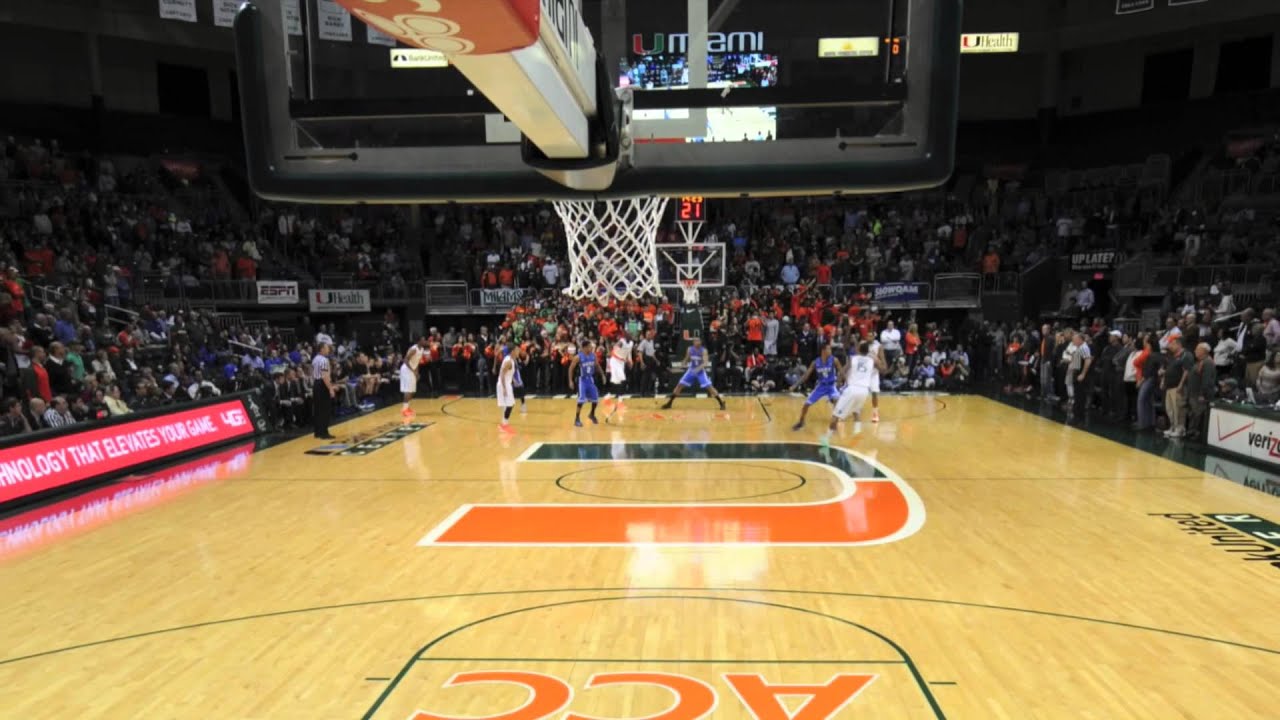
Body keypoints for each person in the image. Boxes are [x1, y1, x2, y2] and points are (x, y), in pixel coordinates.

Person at [826, 341, 880, 440]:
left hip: (853, 388)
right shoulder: (872, 360)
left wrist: (838, 385)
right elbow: (884, 369)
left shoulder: (853, 359)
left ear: (859, 349)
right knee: (856, 412)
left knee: (835, 415)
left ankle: (826, 440)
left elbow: (842, 371)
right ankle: (857, 434)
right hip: (864, 391)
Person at [660, 336, 727, 411]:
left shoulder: (704, 350)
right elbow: (687, 358)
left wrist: (697, 369)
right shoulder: (690, 349)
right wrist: (684, 362)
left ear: (700, 342)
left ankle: (721, 403)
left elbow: (705, 363)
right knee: (679, 385)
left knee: (709, 387)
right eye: (695, 341)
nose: (696, 342)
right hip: (691, 370)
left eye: (697, 341)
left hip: (700, 371)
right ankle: (669, 403)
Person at [789, 343, 842, 430]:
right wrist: (795, 385)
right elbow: (806, 375)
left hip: (831, 386)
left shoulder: (834, 360)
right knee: (806, 404)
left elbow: (841, 371)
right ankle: (801, 422)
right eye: (829, 349)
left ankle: (834, 424)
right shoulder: (815, 362)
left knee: (836, 400)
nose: (830, 351)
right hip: (821, 386)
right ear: (823, 351)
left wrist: (843, 381)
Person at [1161, 337, 1192, 439]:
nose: (1170, 346)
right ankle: (1173, 427)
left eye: (1172, 344)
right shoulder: (1172, 356)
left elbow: (1186, 371)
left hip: (1178, 387)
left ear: (1178, 344)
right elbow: (1167, 370)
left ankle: (1180, 429)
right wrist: (1163, 381)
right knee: (1170, 409)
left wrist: (1181, 385)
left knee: (1178, 409)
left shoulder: (1186, 355)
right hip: (1169, 386)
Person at [1185, 342, 1217, 441]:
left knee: (1198, 414)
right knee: (1193, 414)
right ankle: (1191, 431)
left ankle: (1196, 433)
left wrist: (1202, 394)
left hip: (1199, 395)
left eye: (1197, 349)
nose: (1195, 351)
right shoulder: (1201, 362)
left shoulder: (1207, 363)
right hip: (1193, 393)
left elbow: (1206, 380)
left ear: (1204, 351)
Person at [569, 339, 603, 427]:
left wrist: (603, 375)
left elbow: (597, 365)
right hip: (582, 380)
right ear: (585, 348)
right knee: (581, 400)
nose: (591, 348)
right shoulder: (578, 357)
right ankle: (577, 419)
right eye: (589, 347)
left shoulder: (593, 356)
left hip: (590, 379)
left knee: (595, 399)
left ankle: (592, 414)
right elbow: (571, 369)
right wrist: (570, 381)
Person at [312, 343, 336, 440]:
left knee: (318, 409)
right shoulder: (324, 360)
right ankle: (324, 432)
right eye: (327, 348)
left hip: (316, 384)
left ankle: (317, 432)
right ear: (321, 349)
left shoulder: (315, 359)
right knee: (325, 409)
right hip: (322, 384)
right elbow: (325, 375)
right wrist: (330, 388)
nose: (328, 350)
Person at [401, 336, 427, 417]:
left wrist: (417, 372)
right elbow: (405, 360)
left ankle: (407, 408)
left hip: (412, 369)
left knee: (412, 391)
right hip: (406, 370)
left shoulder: (422, 349)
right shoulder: (413, 349)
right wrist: (412, 370)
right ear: (419, 341)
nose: (425, 341)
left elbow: (417, 362)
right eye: (423, 340)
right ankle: (404, 410)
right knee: (408, 390)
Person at [496, 345, 518, 433]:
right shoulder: (508, 361)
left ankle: (505, 424)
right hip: (503, 384)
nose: (518, 352)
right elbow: (502, 374)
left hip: (506, 383)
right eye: (517, 350)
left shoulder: (512, 360)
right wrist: (504, 388)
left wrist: (514, 380)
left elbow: (508, 372)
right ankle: (504, 424)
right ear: (512, 351)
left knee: (508, 404)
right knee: (510, 404)